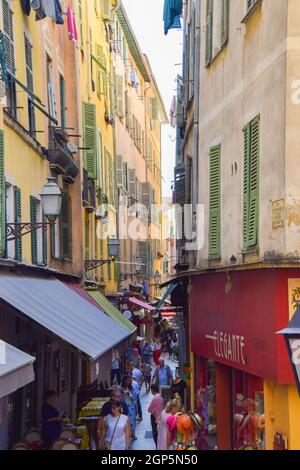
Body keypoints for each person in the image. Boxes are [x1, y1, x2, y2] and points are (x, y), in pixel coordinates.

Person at [121, 375, 139, 440]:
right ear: (124, 381)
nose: (129, 381)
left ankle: (133, 434)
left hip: (131, 406)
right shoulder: (121, 388)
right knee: (126, 421)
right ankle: (127, 434)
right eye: (127, 380)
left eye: (129, 380)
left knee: (132, 420)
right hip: (124, 406)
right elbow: (120, 398)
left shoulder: (131, 388)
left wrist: (130, 395)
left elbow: (135, 396)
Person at [148, 384, 164, 448]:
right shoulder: (160, 397)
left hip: (155, 417)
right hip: (159, 417)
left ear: (152, 390)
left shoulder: (155, 398)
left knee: (155, 434)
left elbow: (149, 409)